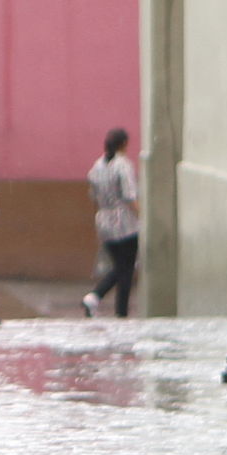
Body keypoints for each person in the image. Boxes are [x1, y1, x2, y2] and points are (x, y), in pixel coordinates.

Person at [85, 127, 141, 318]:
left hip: (104, 221)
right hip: (125, 222)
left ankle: (96, 298)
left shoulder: (97, 166)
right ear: (124, 143)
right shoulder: (123, 165)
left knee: (119, 266)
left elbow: (93, 195)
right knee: (126, 268)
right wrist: (141, 215)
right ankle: (118, 310)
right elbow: (129, 195)